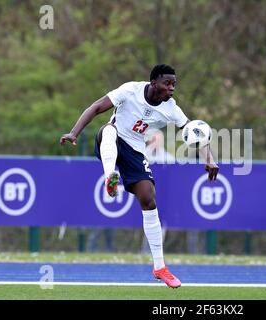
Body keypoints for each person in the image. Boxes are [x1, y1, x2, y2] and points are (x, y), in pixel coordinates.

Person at [60, 64, 219, 288]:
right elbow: (97, 107)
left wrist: (209, 159)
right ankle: (110, 177)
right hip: (111, 141)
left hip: (135, 151)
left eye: (174, 84)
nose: (172, 88)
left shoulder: (171, 108)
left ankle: (160, 267)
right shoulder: (130, 90)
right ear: (154, 83)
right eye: (167, 83)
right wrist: (74, 132)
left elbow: (195, 133)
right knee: (108, 129)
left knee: (148, 197)